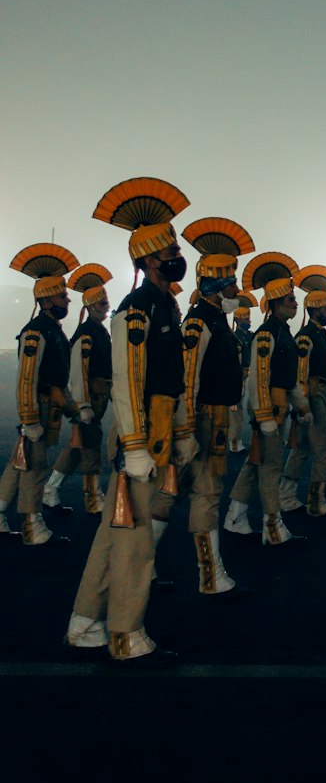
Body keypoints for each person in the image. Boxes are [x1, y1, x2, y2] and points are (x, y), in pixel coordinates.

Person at [66, 177, 194, 664]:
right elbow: (128, 381)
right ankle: (126, 633)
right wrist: (138, 444)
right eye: (169, 251)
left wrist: (179, 432)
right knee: (136, 538)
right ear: (148, 259)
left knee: (113, 531)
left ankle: (85, 621)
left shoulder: (163, 305)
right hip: (144, 433)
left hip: (160, 429)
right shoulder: (136, 309)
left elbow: (170, 380)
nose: (177, 256)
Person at [178, 215, 256, 594]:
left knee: (180, 494)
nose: (237, 290)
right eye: (232, 283)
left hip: (216, 415)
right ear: (217, 285)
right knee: (205, 493)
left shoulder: (215, 319)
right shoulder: (200, 323)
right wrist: (187, 429)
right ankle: (211, 575)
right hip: (205, 418)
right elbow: (188, 379)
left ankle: (145, 567)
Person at [226, 252, 310, 546]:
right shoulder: (266, 334)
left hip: (279, 408)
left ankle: (235, 515)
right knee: (271, 468)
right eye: (289, 299)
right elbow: (258, 379)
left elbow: (287, 376)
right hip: (270, 411)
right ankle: (272, 528)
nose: (295, 303)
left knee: (255, 463)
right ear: (275, 302)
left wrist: (300, 404)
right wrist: (264, 417)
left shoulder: (281, 331)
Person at [0, 243, 80, 544]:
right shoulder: (37, 331)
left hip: (50, 403)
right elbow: (26, 379)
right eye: (61, 295)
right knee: (34, 466)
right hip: (40, 406)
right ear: (46, 300)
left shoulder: (52, 328)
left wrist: (72, 408)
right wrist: (30, 418)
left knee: (19, 462)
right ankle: (33, 525)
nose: (67, 299)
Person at [42, 262, 114, 517]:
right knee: (91, 447)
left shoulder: (99, 332)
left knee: (76, 447)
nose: (106, 308)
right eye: (103, 304)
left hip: (98, 396)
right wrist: (82, 404)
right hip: (88, 398)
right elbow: (78, 372)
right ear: (92, 306)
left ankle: (50, 489)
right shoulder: (86, 334)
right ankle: (94, 498)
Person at [282, 265, 326, 516]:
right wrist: (303, 407)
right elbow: (302, 374)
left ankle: (285, 495)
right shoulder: (307, 337)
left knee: (303, 448)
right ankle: (316, 501)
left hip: (320, 393)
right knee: (322, 449)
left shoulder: (320, 334)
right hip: (313, 395)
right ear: (316, 309)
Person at [228, 289, 258, 453]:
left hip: (251, 373)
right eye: (245, 318)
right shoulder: (234, 337)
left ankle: (257, 435)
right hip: (238, 375)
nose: (248, 320)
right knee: (236, 410)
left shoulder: (251, 336)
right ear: (238, 320)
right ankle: (234, 441)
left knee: (254, 405)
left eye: (248, 318)